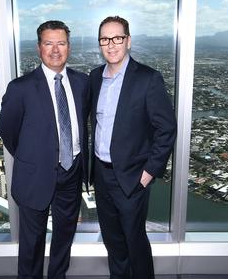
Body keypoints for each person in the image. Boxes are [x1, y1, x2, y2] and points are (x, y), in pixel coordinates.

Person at [0, 20, 89, 279]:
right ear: (39, 48)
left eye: (61, 43)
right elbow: (8, 132)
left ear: (69, 47)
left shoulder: (83, 83)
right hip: (35, 175)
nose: (55, 50)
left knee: (65, 236)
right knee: (32, 243)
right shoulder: (21, 88)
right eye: (49, 43)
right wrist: (33, 157)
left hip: (72, 173)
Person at [90, 16, 176, 278]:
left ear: (128, 41)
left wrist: (148, 173)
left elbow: (167, 128)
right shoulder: (95, 78)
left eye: (118, 38)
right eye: (105, 39)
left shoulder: (148, 78)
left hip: (132, 176)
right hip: (101, 175)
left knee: (135, 243)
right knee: (113, 243)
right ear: (100, 43)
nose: (111, 44)